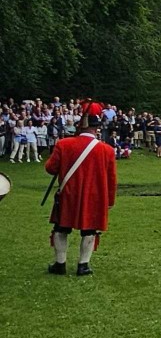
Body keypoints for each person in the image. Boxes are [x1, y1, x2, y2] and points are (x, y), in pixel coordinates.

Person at [45, 102, 117, 277]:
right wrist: (110, 201)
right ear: (96, 126)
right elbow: (111, 180)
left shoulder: (64, 144)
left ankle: (60, 264)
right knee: (90, 230)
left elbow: (50, 168)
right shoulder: (107, 150)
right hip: (94, 197)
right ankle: (83, 265)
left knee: (61, 229)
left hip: (68, 194)